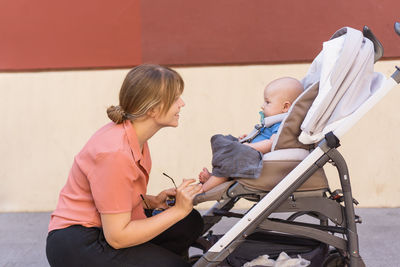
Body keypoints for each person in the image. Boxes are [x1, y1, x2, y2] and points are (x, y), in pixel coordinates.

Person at [46, 64, 204, 267]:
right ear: (153, 110)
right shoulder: (114, 153)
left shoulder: (134, 136)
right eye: (175, 99)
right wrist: (177, 210)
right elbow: (117, 237)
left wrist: (152, 201)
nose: (182, 103)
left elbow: (111, 198)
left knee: (188, 222)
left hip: (104, 228)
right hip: (79, 243)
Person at [199, 77, 303, 192]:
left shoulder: (281, 124)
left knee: (232, 152)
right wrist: (247, 139)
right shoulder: (273, 122)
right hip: (250, 152)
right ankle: (216, 176)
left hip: (255, 158)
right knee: (223, 140)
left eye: (267, 102)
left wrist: (248, 146)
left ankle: (203, 189)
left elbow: (272, 143)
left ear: (285, 107)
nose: (262, 106)